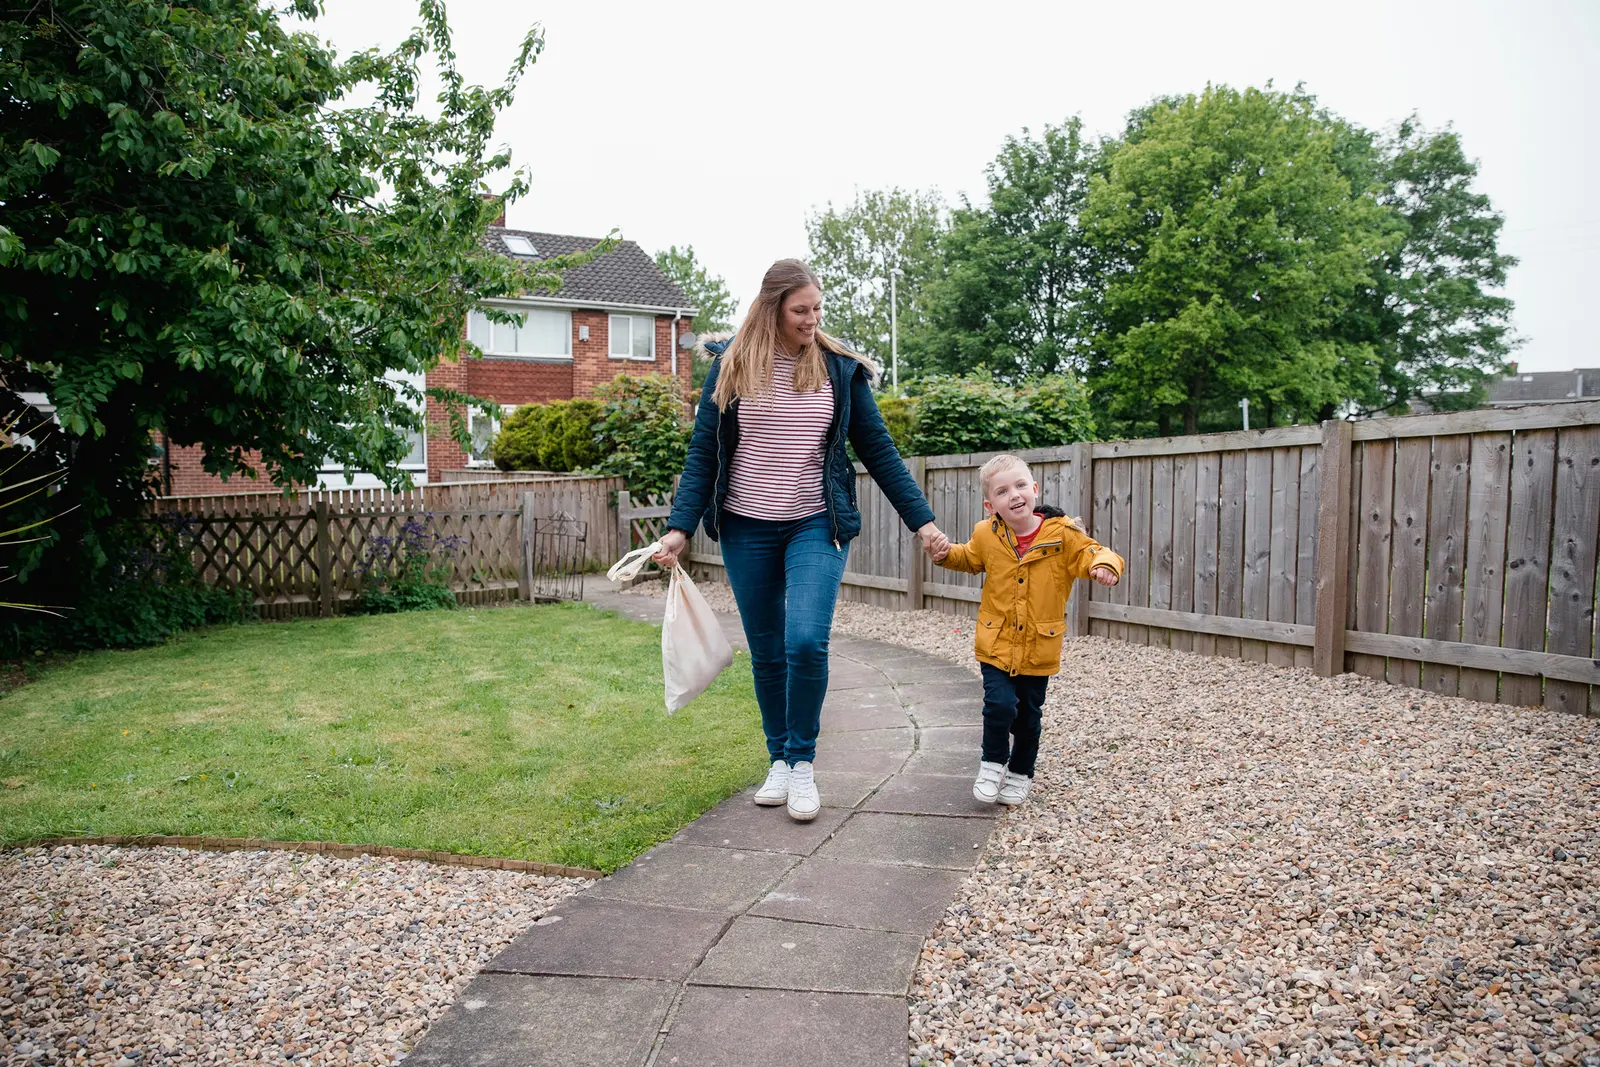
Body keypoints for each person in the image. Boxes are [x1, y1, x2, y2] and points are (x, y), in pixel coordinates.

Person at [652, 259, 948, 822]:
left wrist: (923, 523)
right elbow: (702, 456)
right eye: (800, 311)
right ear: (772, 309)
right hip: (747, 526)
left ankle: (804, 763)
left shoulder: (840, 370)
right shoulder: (732, 368)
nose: (812, 320)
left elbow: (879, 452)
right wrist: (678, 528)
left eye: (816, 309)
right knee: (767, 651)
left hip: (817, 522)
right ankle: (779, 762)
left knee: (806, 641)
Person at [931, 454, 1122, 806]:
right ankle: (991, 765)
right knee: (999, 705)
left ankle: (1020, 773)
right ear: (992, 506)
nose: (1014, 495)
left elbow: (1094, 552)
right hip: (996, 641)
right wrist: (944, 554)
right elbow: (969, 558)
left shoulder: (1062, 534)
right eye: (1003, 491)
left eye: (1020, 485)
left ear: (1034, 489)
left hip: (1039, 646)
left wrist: (1104, 565)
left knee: (1029, 716)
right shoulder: (986, 535)